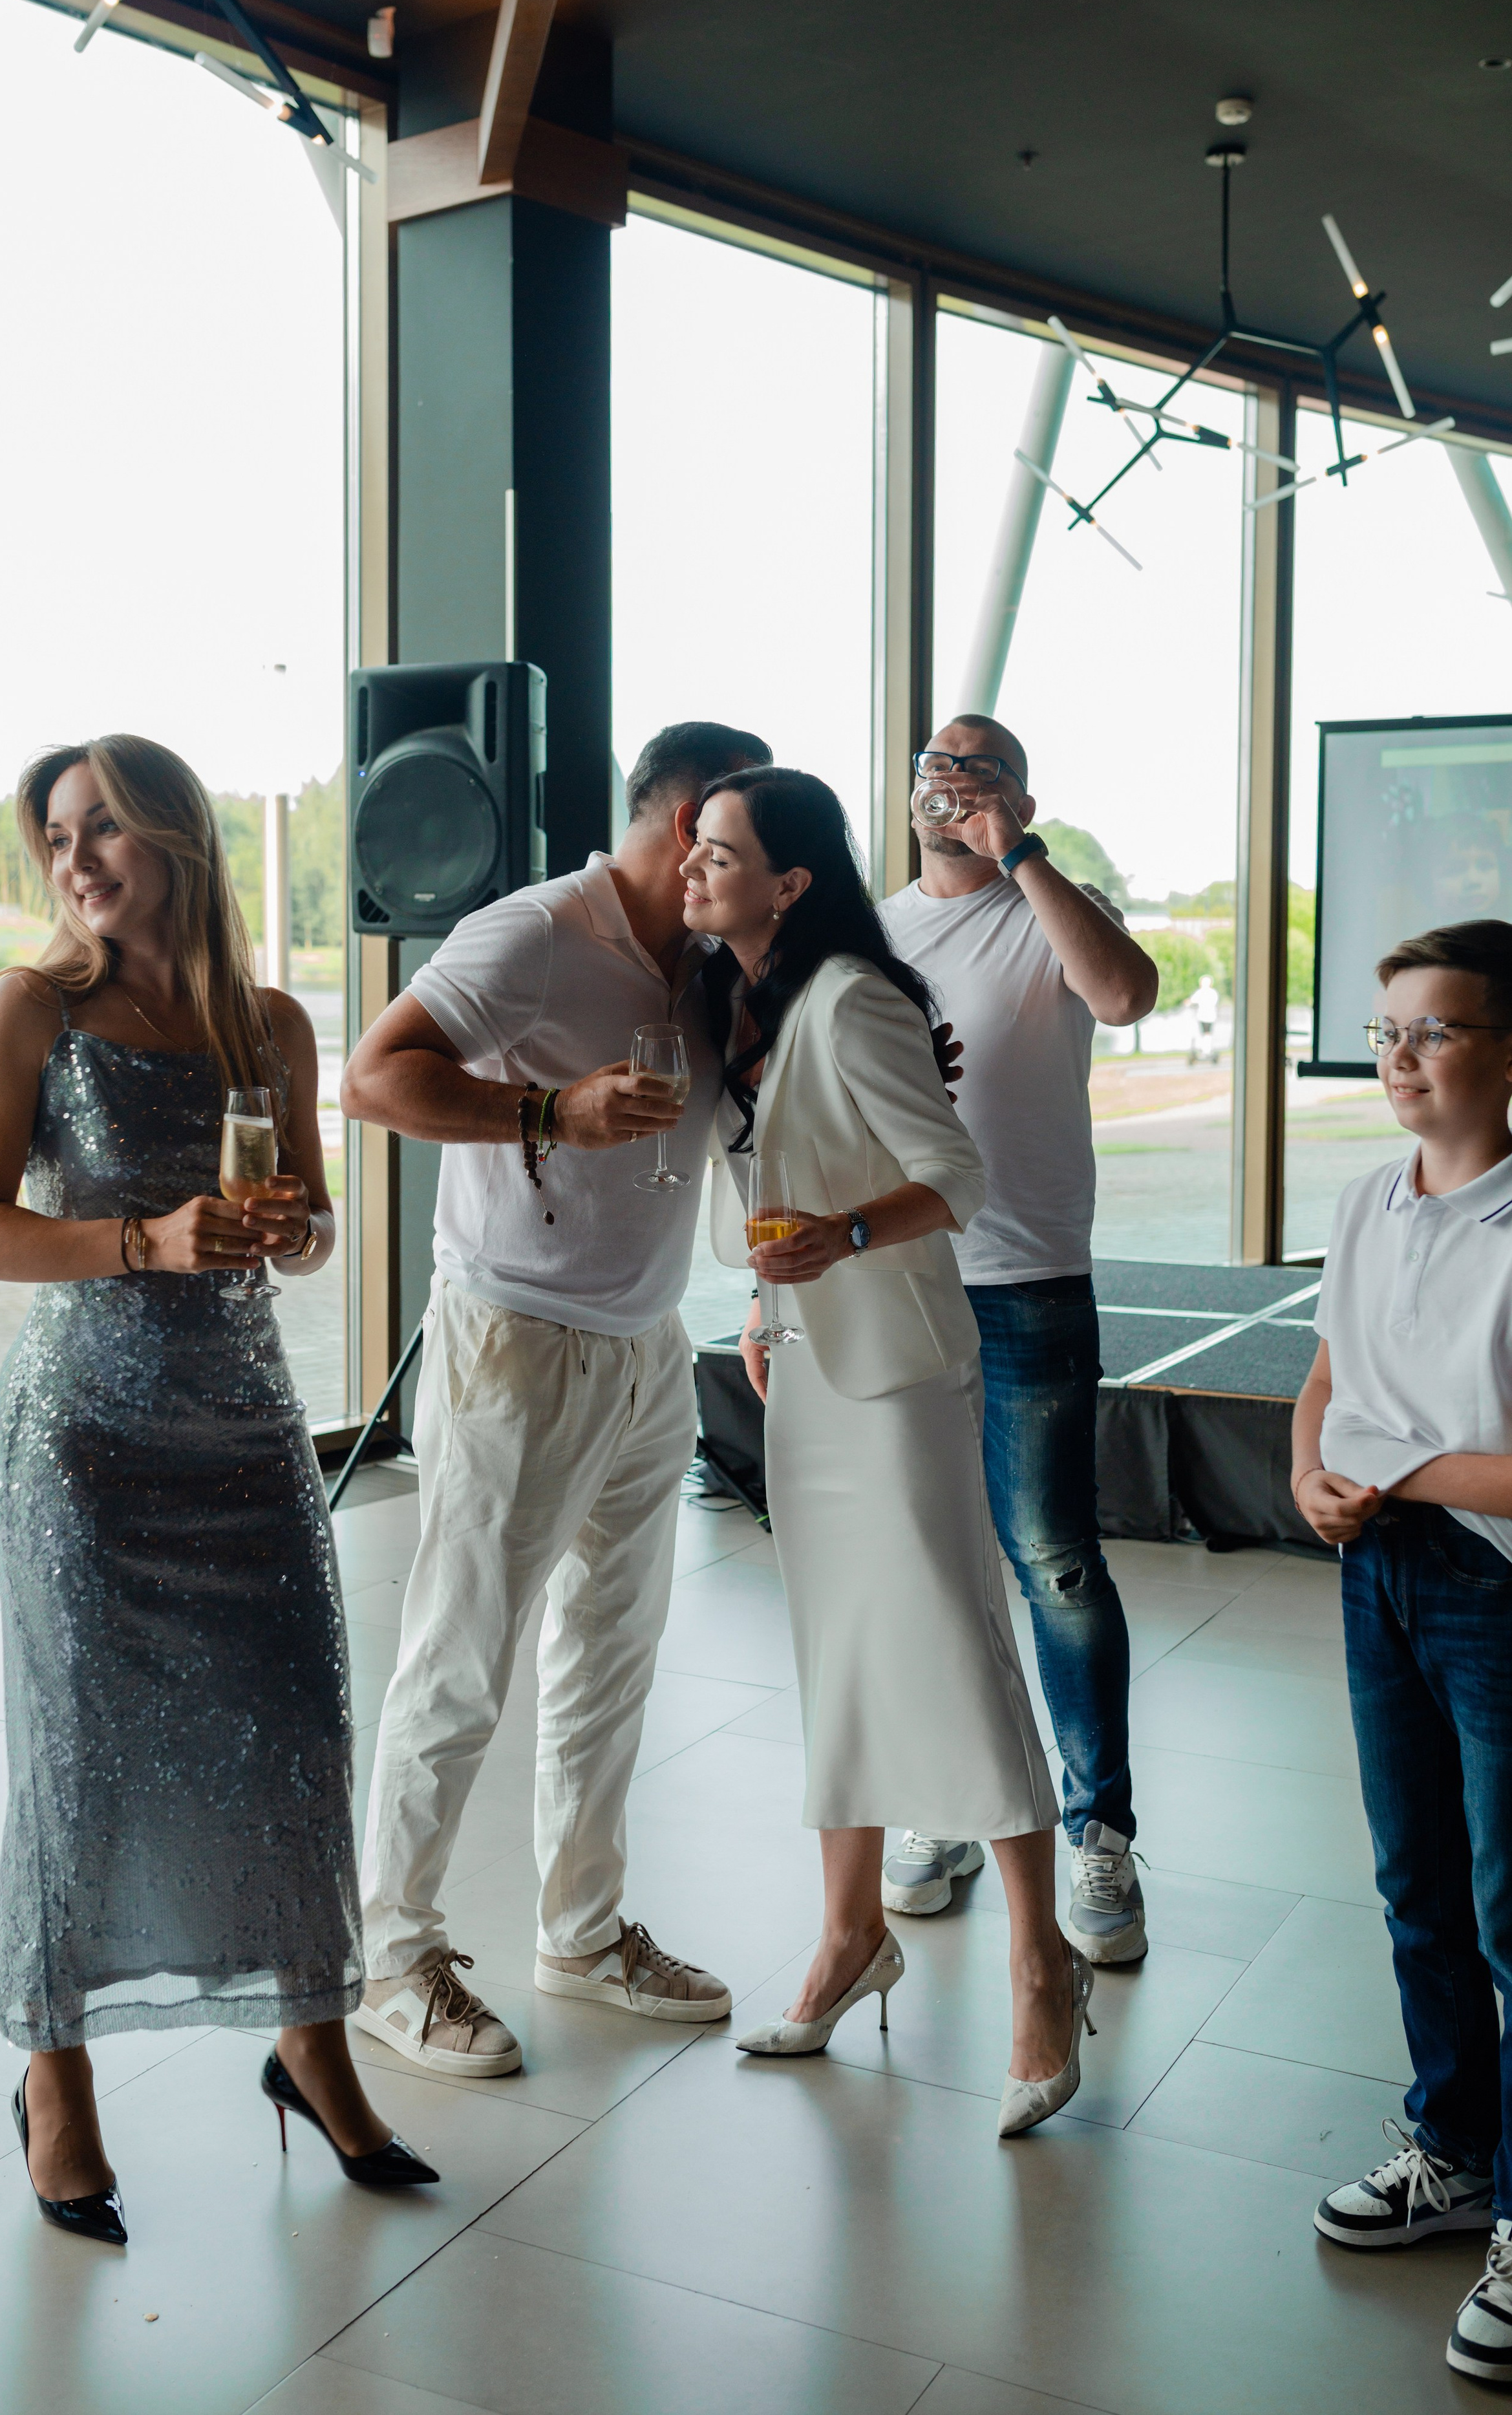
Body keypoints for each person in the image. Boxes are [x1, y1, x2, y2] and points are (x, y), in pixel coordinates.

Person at [0, 736, 434, 2246]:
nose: (74, 861)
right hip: (84, 1435)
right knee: (79, 1758)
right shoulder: (36, 1011)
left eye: (102, 832)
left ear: (176, 839)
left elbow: (314, 1229)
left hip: (242, 1434)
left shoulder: (270, 1023)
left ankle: (309, 2041)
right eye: (56, 838)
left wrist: (288, 1228)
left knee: (291, 1741)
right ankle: (55, 2075)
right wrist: (142, 1240)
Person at [341, 721, 773, 2077]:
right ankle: (391, 1962)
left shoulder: (708, 959)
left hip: (649, 1346)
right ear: (693, 812)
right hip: (513, 1345)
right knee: (460, 1661)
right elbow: (371, 1076)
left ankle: (579, 1934)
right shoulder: (531, 932)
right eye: (747, 832)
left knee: (608, 1651)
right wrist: (549, 1114)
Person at [692, 766, 1087, 2133]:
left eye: (719, 851)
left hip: (900, 1376)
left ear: (788, 881)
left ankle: (1042, 1966)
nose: (694, 868)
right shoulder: (732, 1002)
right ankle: (847, 1935)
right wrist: (766, 1288)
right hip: (804, 1367)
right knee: (837, 1661)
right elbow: (775, 1173)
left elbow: (951, 1177)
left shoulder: (850, 999)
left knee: (954, 1649)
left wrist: (845, 1239)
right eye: (690, 847)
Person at [875, 714, 1160, 1964]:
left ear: (1016, 794)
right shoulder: (874, 931)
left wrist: (1024, 853)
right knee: (932, 1564)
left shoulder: (1051, 902)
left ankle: (1100, 1831)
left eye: (979, 769)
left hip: (1031, 1278)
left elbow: (1126, 994)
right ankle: (945, 1801)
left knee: (1053, 1560)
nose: (952, 783)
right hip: (902, 1278)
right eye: (938, 765)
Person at [1294, 918, 1512, 2388]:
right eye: (1383, 1031)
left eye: (1429, 1029)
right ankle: (1452, 2147)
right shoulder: (1368, 1199)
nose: (1396, 1057)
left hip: (1489, 1586)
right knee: (1413, 1885)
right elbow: (1323, 1374)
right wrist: (1311, 1472)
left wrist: (1401, 1467)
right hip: (1372, 1568)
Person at [1189, 971, 1221, 1066]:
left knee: (1207, 1033)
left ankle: (1206, 1050)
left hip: (1209, 1016)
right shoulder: (1202, 992)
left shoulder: (1211, 993)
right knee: (1204, 1033)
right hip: (1202, 1016)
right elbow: (1192, 1000)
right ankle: (1204, 1049)